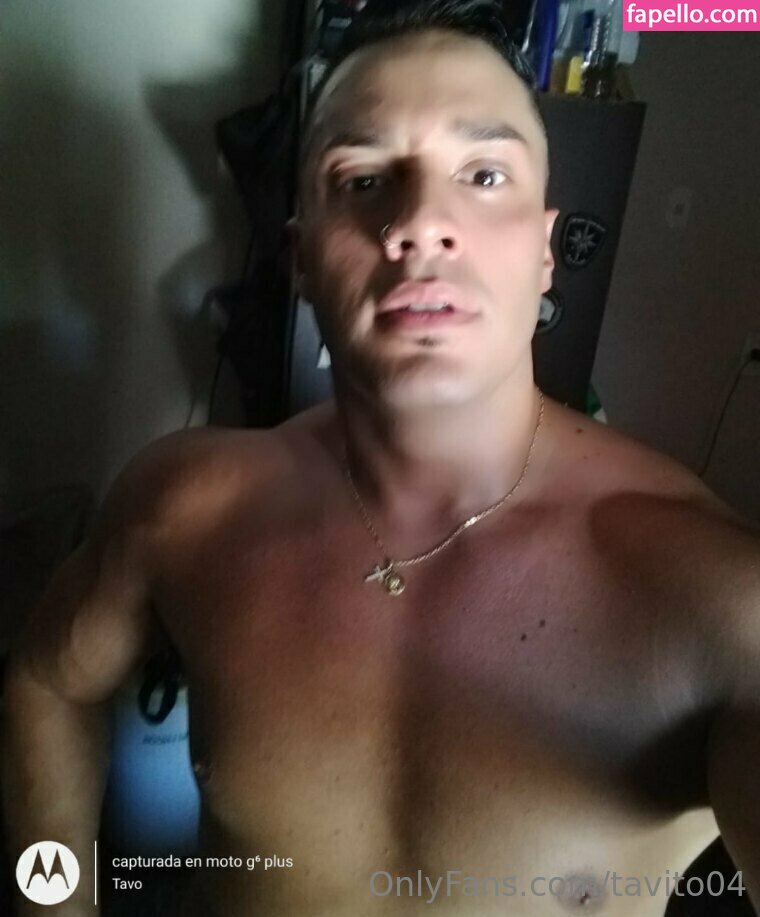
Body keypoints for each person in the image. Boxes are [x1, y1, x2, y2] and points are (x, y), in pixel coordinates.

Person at [3, 2, 759, 915]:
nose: (422, 222)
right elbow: (47, 682)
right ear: (300, 259)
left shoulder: (718, 602)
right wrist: (52, 898)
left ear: (545, 251)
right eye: (362, 180)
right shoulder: (185, 506)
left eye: (483, 174)